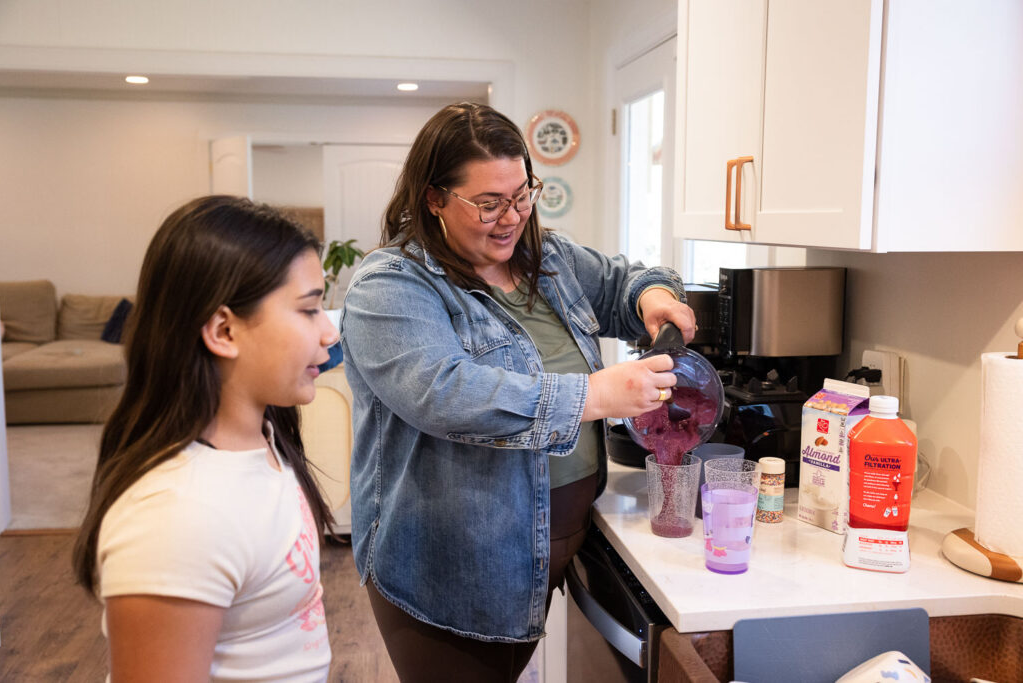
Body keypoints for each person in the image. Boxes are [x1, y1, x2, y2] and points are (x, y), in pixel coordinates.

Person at [340, 102, 697, 681]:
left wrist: (651, 297)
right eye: (488, 203)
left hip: (552, 548)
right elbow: (444, 392)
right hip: (453, 568)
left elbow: (623, 281)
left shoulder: (547, 258)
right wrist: (595, 396)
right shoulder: (390, 284)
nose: (511, 217)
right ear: (434, 198)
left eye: (523, 194)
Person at [71, 195, 339, 682]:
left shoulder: (263, 439)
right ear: (223, 330)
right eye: (309, 310)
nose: (328, 333)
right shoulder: (176, 516)